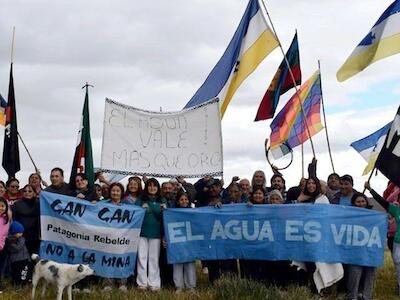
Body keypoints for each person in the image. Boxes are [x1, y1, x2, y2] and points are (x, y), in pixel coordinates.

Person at [365, 181, 400, 295]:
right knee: (397, 262)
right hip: (397, 242)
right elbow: (383, 202)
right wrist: (370, 190)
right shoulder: (396, 210)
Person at [135, 178, 167, 291]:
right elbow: (134, 212)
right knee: (141, 257)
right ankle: (142, 283)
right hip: (142, 233)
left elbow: (167, 216)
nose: (152, 188)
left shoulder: (162, 200)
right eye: (150, 185)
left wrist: (165, 210)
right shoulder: (140, 199)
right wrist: (140, 208)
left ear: (158, 188)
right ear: (146, 187)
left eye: (154, 186)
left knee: (154, 259)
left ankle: (154, 283)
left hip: (156, 234)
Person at [346, 192, 376, 300]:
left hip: (370, 251)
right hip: (355, 251)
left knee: (369, 273)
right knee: (355, 273)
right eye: (358, 201)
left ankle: (366, 297)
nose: (361, 203)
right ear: (353, 203)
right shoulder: (349, 216)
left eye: (363, 201)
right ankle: (352, 296)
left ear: (367, 202)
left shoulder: (374, 216)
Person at [102, 182, 130, 292]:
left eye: (118, 191)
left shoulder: (127, 206)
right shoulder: (103, 204)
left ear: (121, 193)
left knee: (121, 259)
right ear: (110, 192)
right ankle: (108, 284)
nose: (115, 193)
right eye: (113, 190)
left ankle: (122, 284)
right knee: (107, 260)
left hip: (121, 238)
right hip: (107, 238)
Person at [172, 193, 196, 292]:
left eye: (186, 199)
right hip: (177, 241)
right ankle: (179, 286)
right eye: (181, 199)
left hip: (189, 241)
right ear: (178, 201)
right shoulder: (172, 212)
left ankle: (190, 286)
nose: (184, 201)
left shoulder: (193, 212)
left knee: (190, 263)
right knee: (177, 262)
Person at [12, 184, 40, 255]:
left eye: (30, 191)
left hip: (35, 237)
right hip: (21, 237)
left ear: (34, 193)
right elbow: (13, 220)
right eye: (25, 191)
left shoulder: (39, 204)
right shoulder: (17, 204)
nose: (27, 193)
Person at [6, 221, 32, 286]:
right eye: (19, 233)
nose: (21, 234)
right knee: (17, 273)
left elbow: (25, 250)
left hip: (24, 259)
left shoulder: (20, 238)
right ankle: (16, 283)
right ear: (14, 232)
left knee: (25, 272)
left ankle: (25, 282)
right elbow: (17, 248)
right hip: (16, 261)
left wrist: (28, 259)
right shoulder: (10, 240)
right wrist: (22, 240)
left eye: (22, 232)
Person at [0, 198, 10, 294]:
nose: (1, 208)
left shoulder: (6, 219)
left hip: (2, 247)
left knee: (1, 267)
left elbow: (3, 234)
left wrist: (1, 245)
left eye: (3, 206)